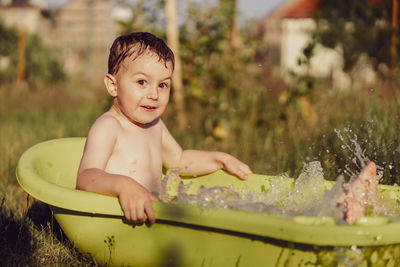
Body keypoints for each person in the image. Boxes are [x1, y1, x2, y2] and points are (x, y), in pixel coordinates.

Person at [76, 32, 252, 224]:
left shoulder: (156, 125)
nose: (154, 94)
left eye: (162, 85)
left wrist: (218, 159)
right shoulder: (109, 126)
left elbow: (179, 160)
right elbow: (86, 177)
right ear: (113, 85)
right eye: (141, 82)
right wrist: (124, 186)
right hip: (115, 219)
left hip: (152, 215)